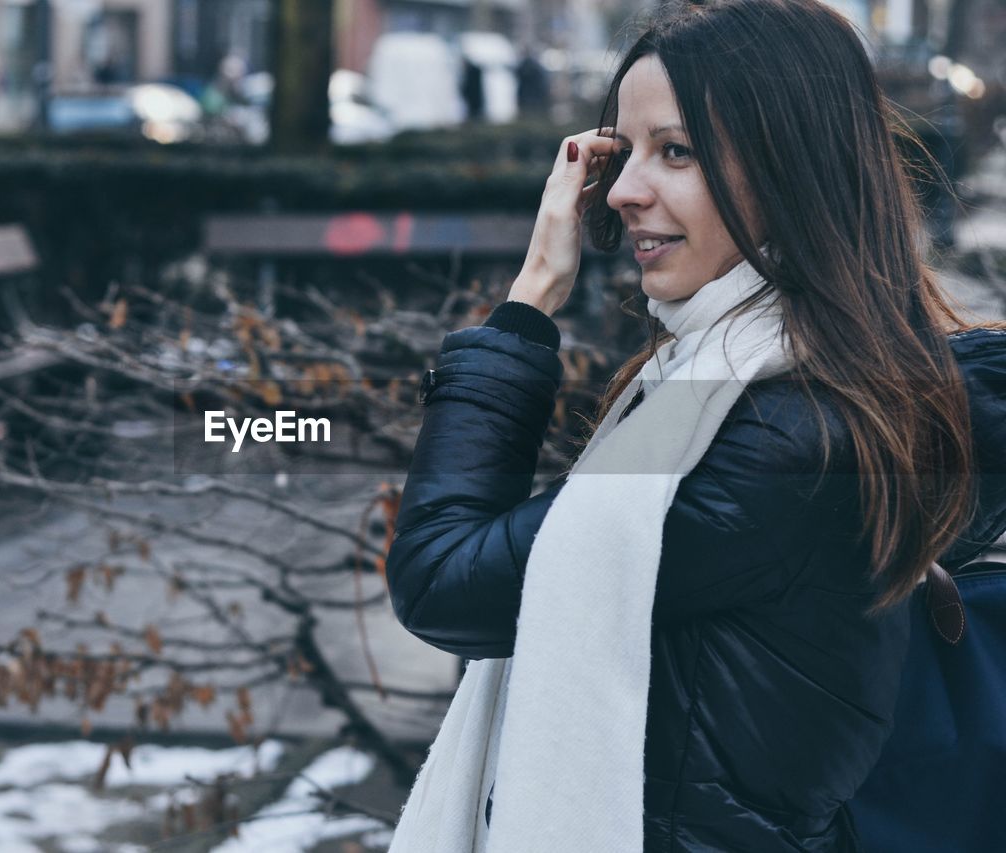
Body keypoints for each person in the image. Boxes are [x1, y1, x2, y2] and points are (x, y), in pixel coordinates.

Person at [384, 1, 1006, 851]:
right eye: (624, 150)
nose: (625, 190)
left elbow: (441, 580)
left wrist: (529, 301)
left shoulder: (787, 439)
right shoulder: (752, 381)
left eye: (676, 151)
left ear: (792, 169)